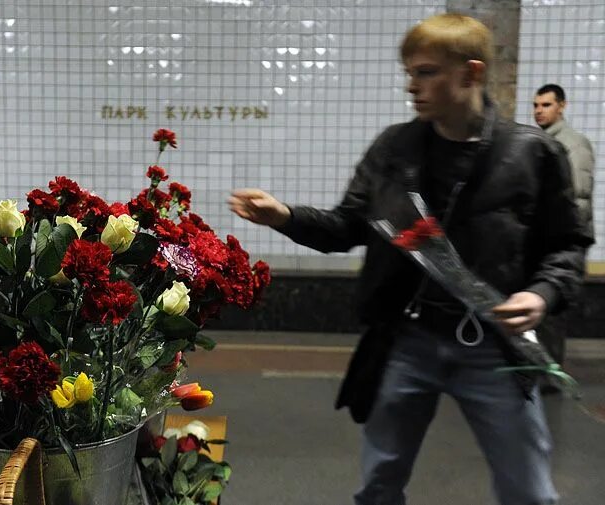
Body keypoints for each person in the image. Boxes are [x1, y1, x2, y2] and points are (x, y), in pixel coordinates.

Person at [229, 14, 592, 505]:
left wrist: (540, 294)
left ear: (470, 74)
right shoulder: (395, 148)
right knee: (379, 482)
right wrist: (285, 216)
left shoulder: (531, 153)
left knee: (528, 489)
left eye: (426, 72)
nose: (412, 86)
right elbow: (348, 225)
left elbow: (567, 244)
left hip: (492, 350)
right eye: (410, 73)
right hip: (408, 341)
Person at [532, 84, 596, 372]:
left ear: (562, 106)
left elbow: (579, 198)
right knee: (543, 312)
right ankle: (542, 370)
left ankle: (549, 376)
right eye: (536, 105)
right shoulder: (542, 142)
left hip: (560, 242)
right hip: (546, 239)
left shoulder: (572, 143)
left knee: (552, 311)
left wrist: (565, 243)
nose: (539, 111)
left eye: (546, 105)